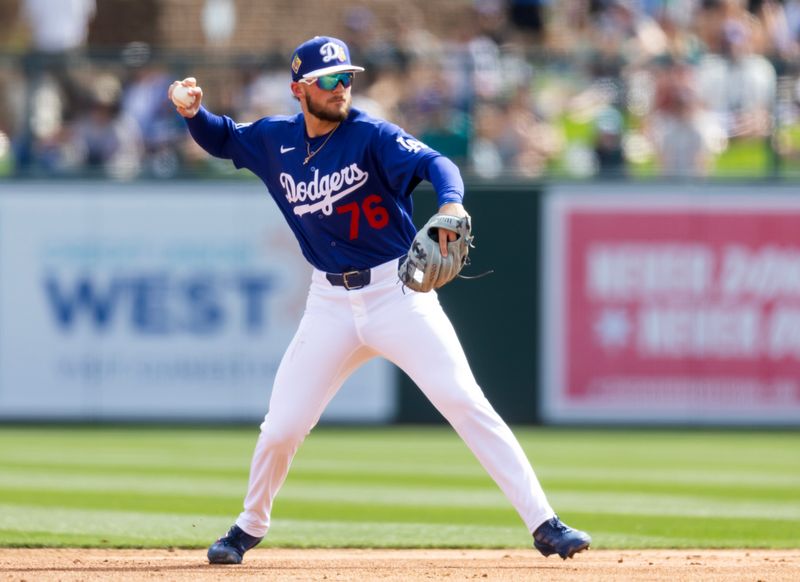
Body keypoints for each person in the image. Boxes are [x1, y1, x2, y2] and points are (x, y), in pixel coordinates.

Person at [168, 35, 591, 565]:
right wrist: (193, 112)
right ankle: (247, 527)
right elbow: (222, 137)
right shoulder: (274, 138)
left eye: (347, 77)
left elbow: (438, 165)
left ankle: (545, 524)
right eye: (329, 80)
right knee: (282, 426)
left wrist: (453, 204)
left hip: (397, 295)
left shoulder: (371, 134)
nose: (341, 87)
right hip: (329, 304)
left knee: (464, 401)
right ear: (300, 88)